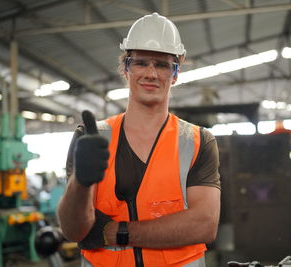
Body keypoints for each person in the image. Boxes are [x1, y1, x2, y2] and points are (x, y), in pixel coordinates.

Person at [57, 12, 221, 267]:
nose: (151, 74)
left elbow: (204, 225)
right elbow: (73, 230)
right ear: (126, 68)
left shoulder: (198, 141)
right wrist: (80, 182)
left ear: (175, 73)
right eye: (141, 63)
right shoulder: (90, 138)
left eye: (162, 65)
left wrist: (115, 232)